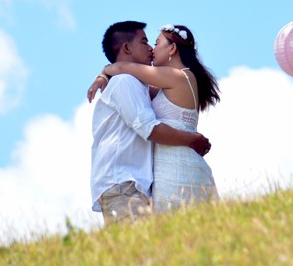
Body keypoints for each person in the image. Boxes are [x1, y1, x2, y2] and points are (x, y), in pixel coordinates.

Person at [89, 21, 211, 224]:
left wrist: (105, 73)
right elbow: (149, 128)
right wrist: (191, 139)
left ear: (172, 48)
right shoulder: (125, 82)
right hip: (123, 182)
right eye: (146, 42)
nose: (151, 49)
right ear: (127, 48)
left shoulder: (155, 81)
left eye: (155, 43)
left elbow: (121, 68)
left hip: (141, 181)